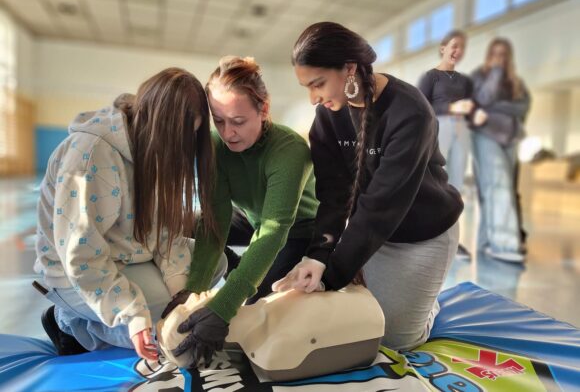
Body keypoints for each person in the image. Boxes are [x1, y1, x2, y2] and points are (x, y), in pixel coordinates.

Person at [272, 22, 463, 351]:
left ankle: (429, 305)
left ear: (348, 69)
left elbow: (380, 206)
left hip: (425, 233)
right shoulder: (328, 117)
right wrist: (318, 257)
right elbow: (333, 195)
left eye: (318, 84)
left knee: (396, 340)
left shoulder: (411, 112)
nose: (313, 98)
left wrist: (333, 274)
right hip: (377, 234)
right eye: (307, 87)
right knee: (357, 323)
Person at [34, 68, 220, 360]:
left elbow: (163, 232)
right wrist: (132, 314)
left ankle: (144, 313)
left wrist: (181, 296)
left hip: (129, 254)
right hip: (76, 272)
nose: (183, 148)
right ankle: (70, 323)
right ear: (159, 124)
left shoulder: (153, 146)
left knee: (211, 263)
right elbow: (80, 256)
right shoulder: (91, 155)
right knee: (159, 318)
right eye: (180, 138)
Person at [163, 56, 318, 365]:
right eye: (218, 120)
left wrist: (222, 308)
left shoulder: (289, 150)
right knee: (182, 225)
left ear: (263, 110)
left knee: (253, 310)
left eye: (238, 121)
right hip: (250, 216)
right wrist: (193, 290)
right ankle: (235, 265)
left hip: (298, 227)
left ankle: (241, 270)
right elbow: (215, 220)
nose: (228, 133)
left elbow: (273, 232)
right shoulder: (216, 145)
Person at [470, 38, 531, 263]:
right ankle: (503, 244)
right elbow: (482, 99)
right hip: (486, 135)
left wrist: (494, 108)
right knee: (498, 187)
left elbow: (523, 106)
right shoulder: (479, 76)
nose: (500, 57)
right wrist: (495, 73)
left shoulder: (516, 82)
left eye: (504, 54)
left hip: (511, 139)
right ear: (489, 55)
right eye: (496, 53)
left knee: (496, 190)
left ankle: (486, 243)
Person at [418, 29, 474, 259]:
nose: (457, 51)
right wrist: (450, 109)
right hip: (440, 130)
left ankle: (453, 240)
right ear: (443, 48)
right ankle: (429, 236)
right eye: (454, 46)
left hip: (462, 131)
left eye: (461, 47)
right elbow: (420, 107)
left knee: (456, 185)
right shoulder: (431, 77)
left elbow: (474, 105)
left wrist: (468, 113)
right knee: (436, 182)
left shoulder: (465, 81)